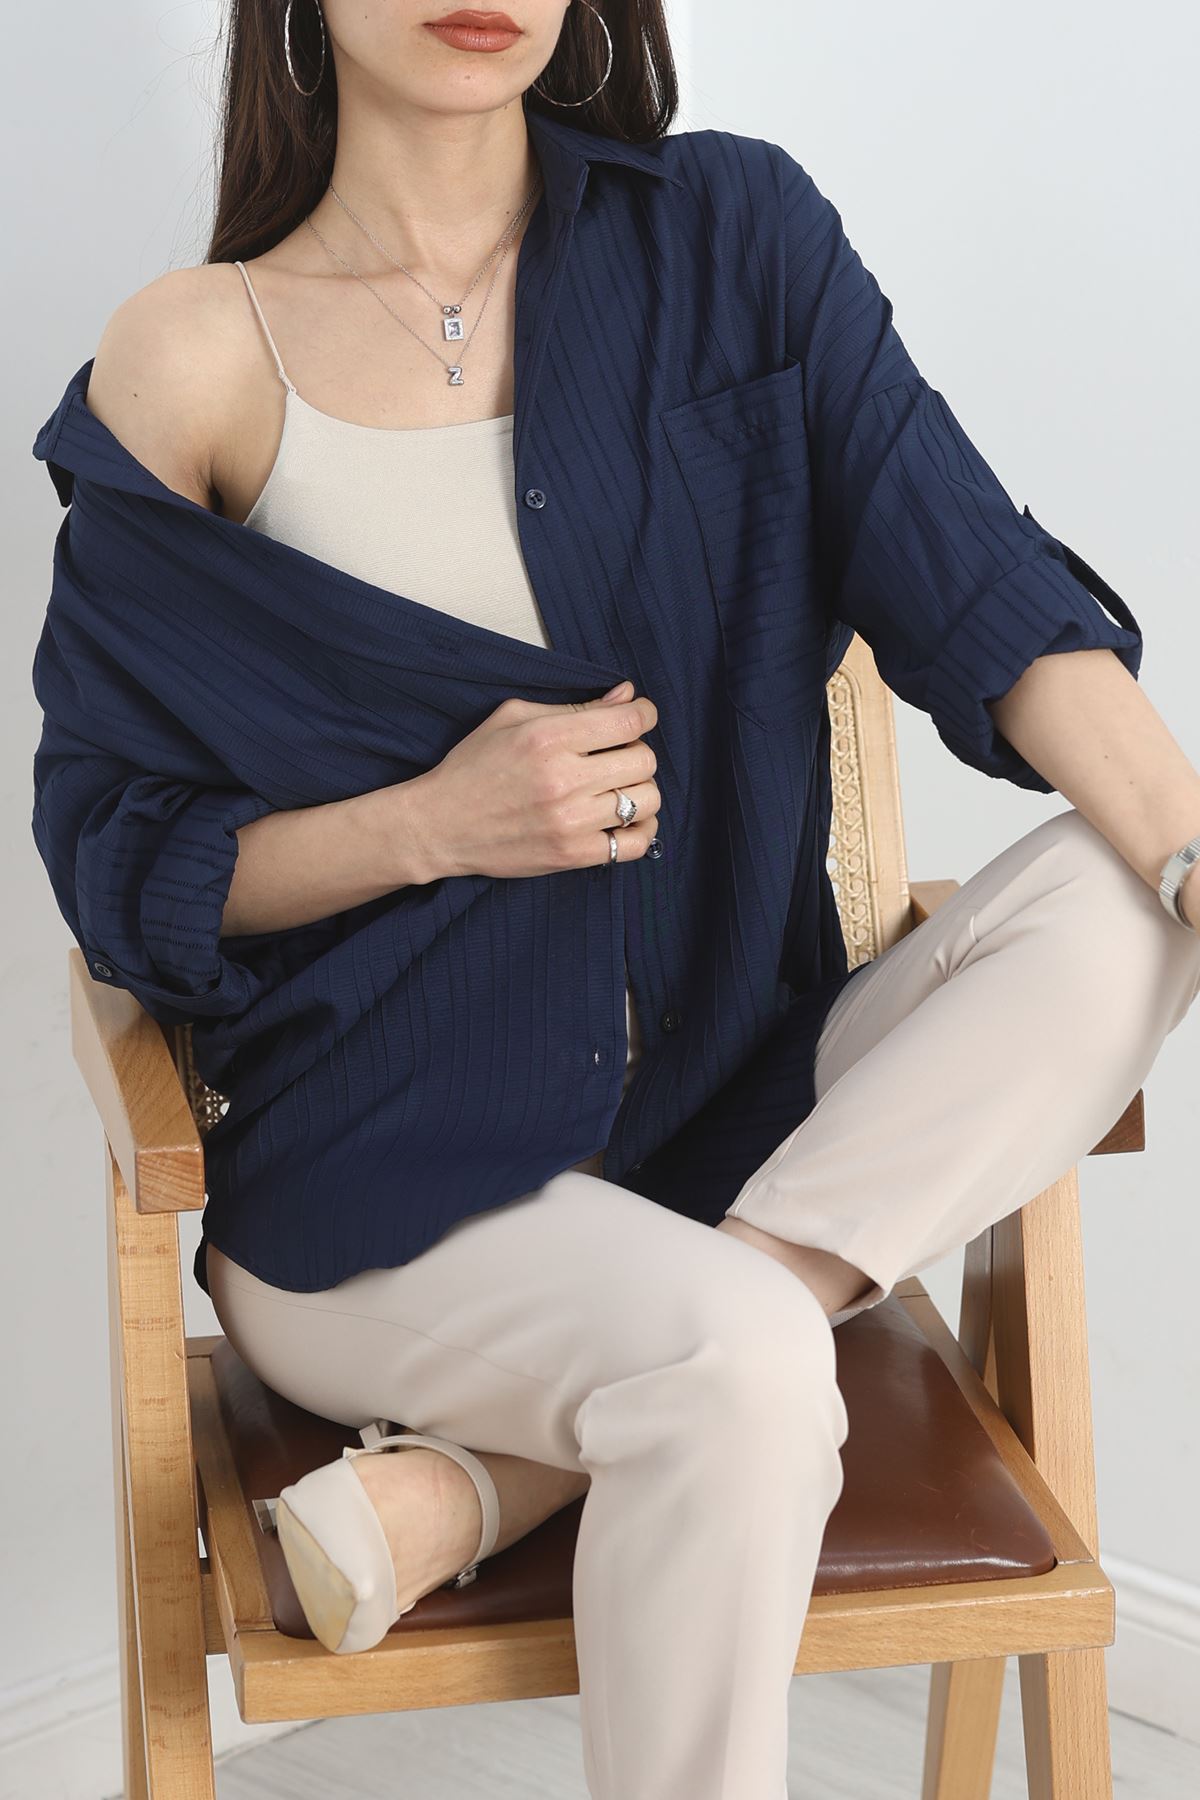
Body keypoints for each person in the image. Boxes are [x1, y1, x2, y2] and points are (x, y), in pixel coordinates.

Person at [40, 3, 1200, 1795]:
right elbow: (118, 859)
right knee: (739, 1363)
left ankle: (490, 1484)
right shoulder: (197, 355)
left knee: (1122, 902)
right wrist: (431, 823)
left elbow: (987, 593)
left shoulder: (736, 240)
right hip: (382, 1183)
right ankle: (653, 1374)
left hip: (734, 1113)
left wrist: (1193, 861)